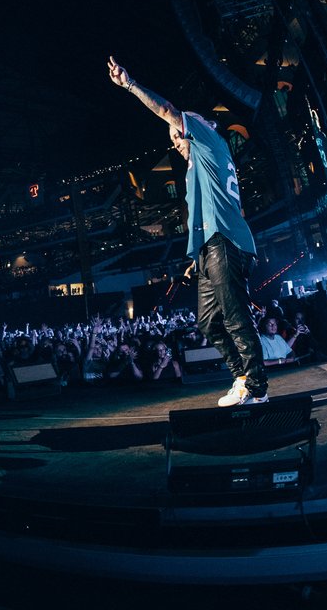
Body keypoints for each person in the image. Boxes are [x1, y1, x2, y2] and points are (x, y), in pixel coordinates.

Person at [108, 56, 266, 406]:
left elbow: (167, 109)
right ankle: (242, 377)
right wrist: (196, 257)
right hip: (212, 247)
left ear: (196, 128)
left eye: (178, 135)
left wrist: (130, 85)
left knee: (236, 317)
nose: (177, 142)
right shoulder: (200, 169)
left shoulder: (209, 142)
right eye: (174, 138)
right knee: (209, 322)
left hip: (225, 242)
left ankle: (256, 387)